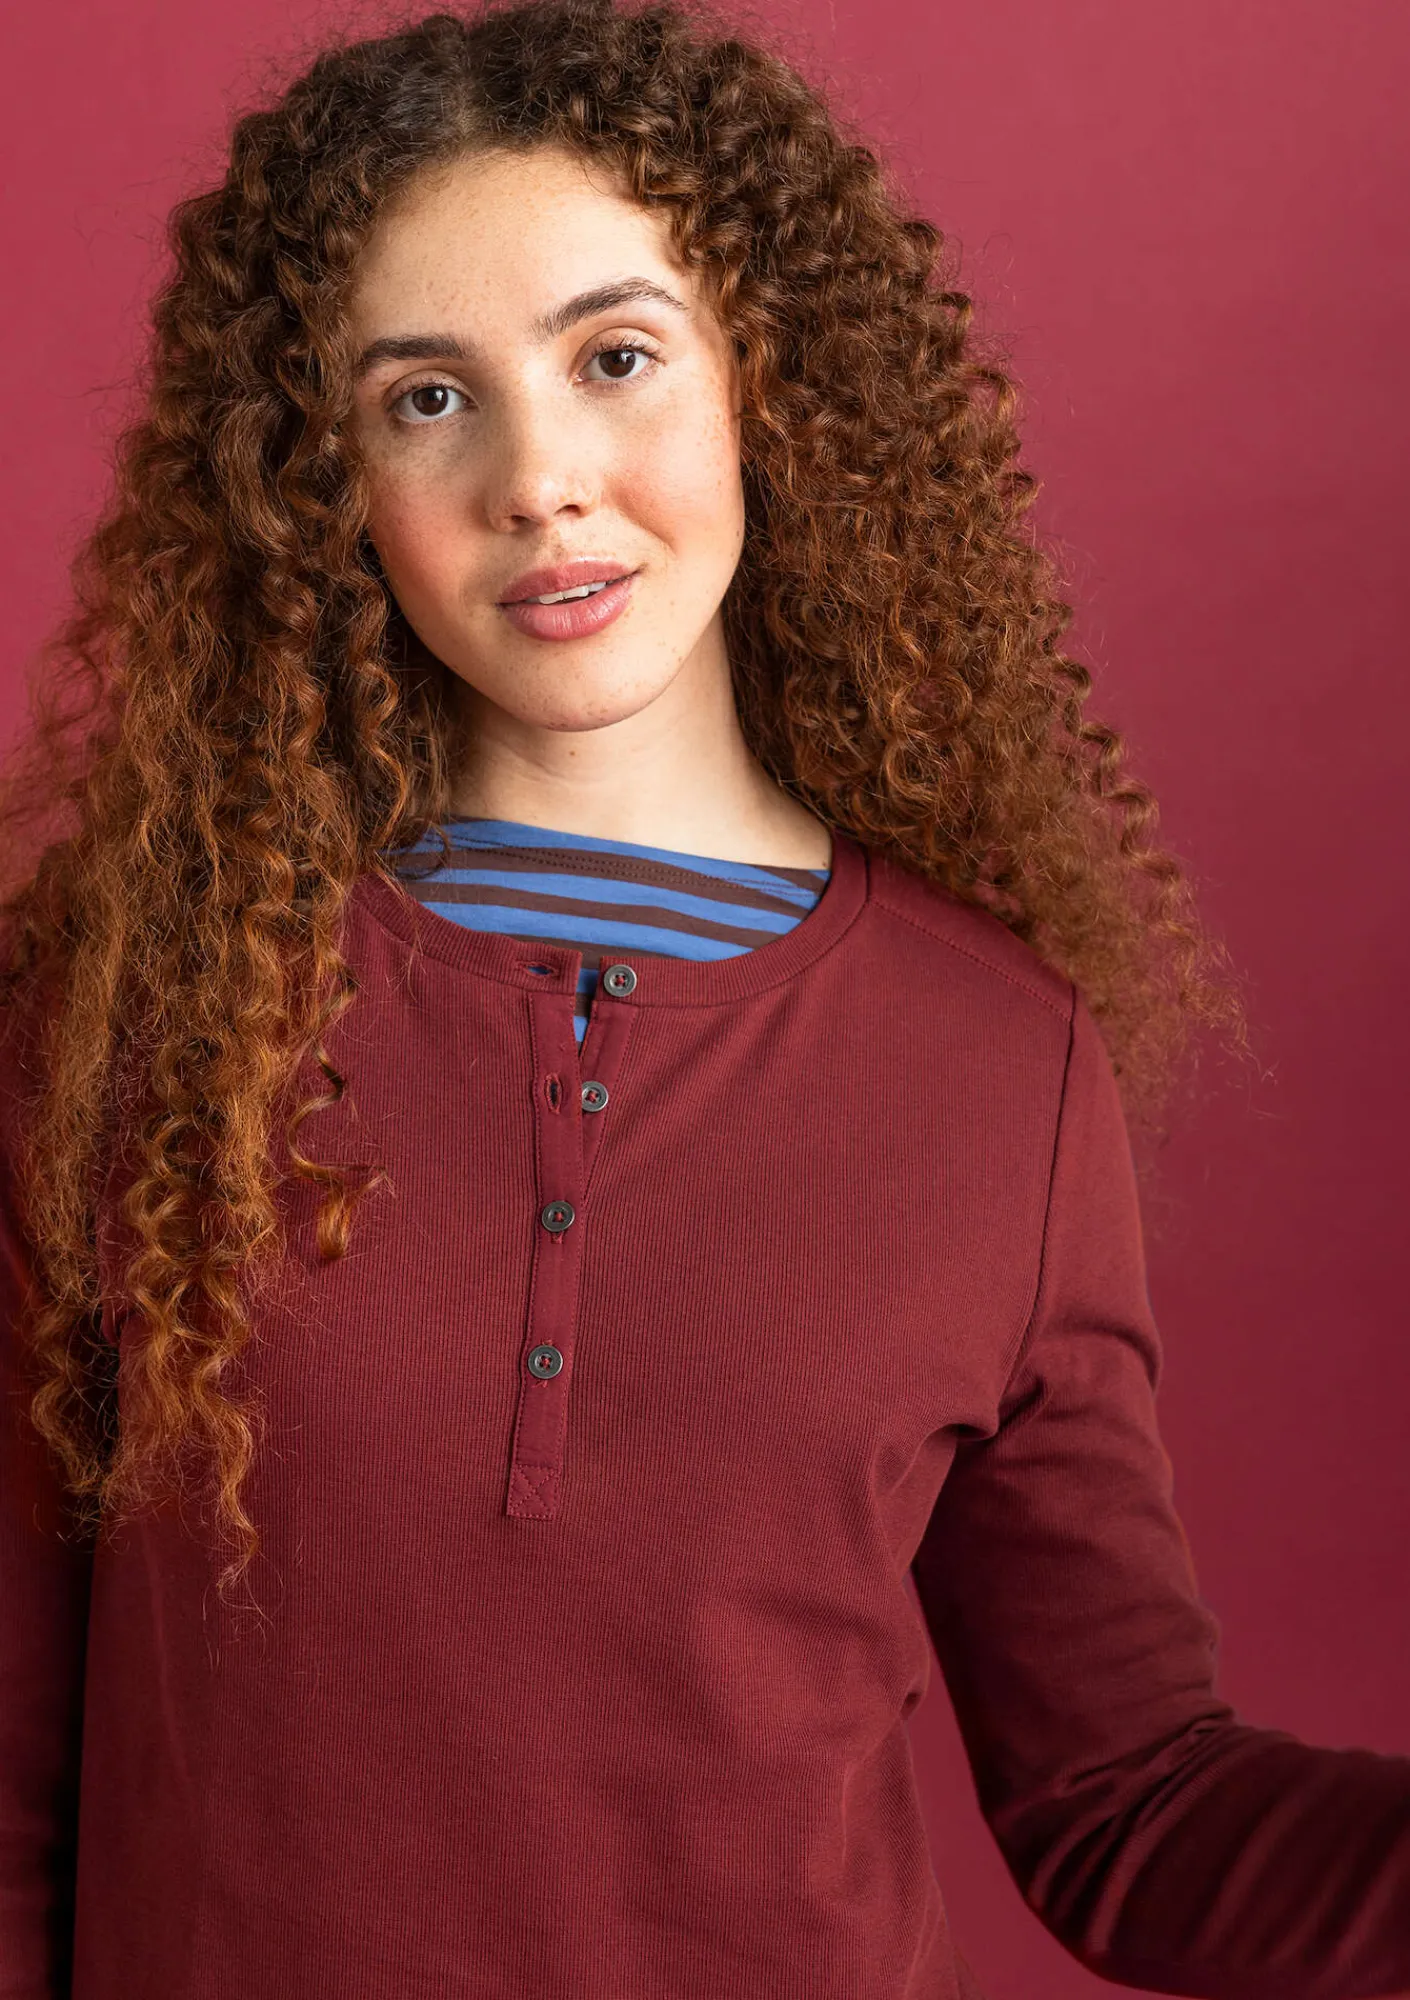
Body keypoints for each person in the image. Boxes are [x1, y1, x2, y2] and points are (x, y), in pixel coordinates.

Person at [2, 1, 1407, 1996]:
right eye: (426, 398)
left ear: (768, 378)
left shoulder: (1001, 1070)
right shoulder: (124, 1011)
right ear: (320, 482)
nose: (538, 479)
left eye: (616, 356)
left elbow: (1128, 1801)